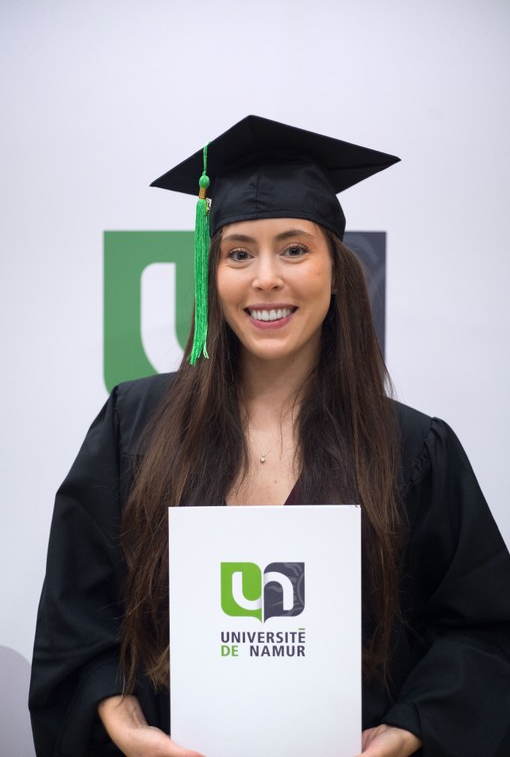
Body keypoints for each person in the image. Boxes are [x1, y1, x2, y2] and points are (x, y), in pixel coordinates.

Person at [29, 116, 510, 757]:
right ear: (211, 274)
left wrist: (408, 729)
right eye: (238, 253)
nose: (265, 278)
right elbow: (76, 616)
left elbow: (479, 633)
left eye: (294, 249)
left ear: (337, 270)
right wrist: (121, 721)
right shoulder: (134, 424)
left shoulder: (409, 448)